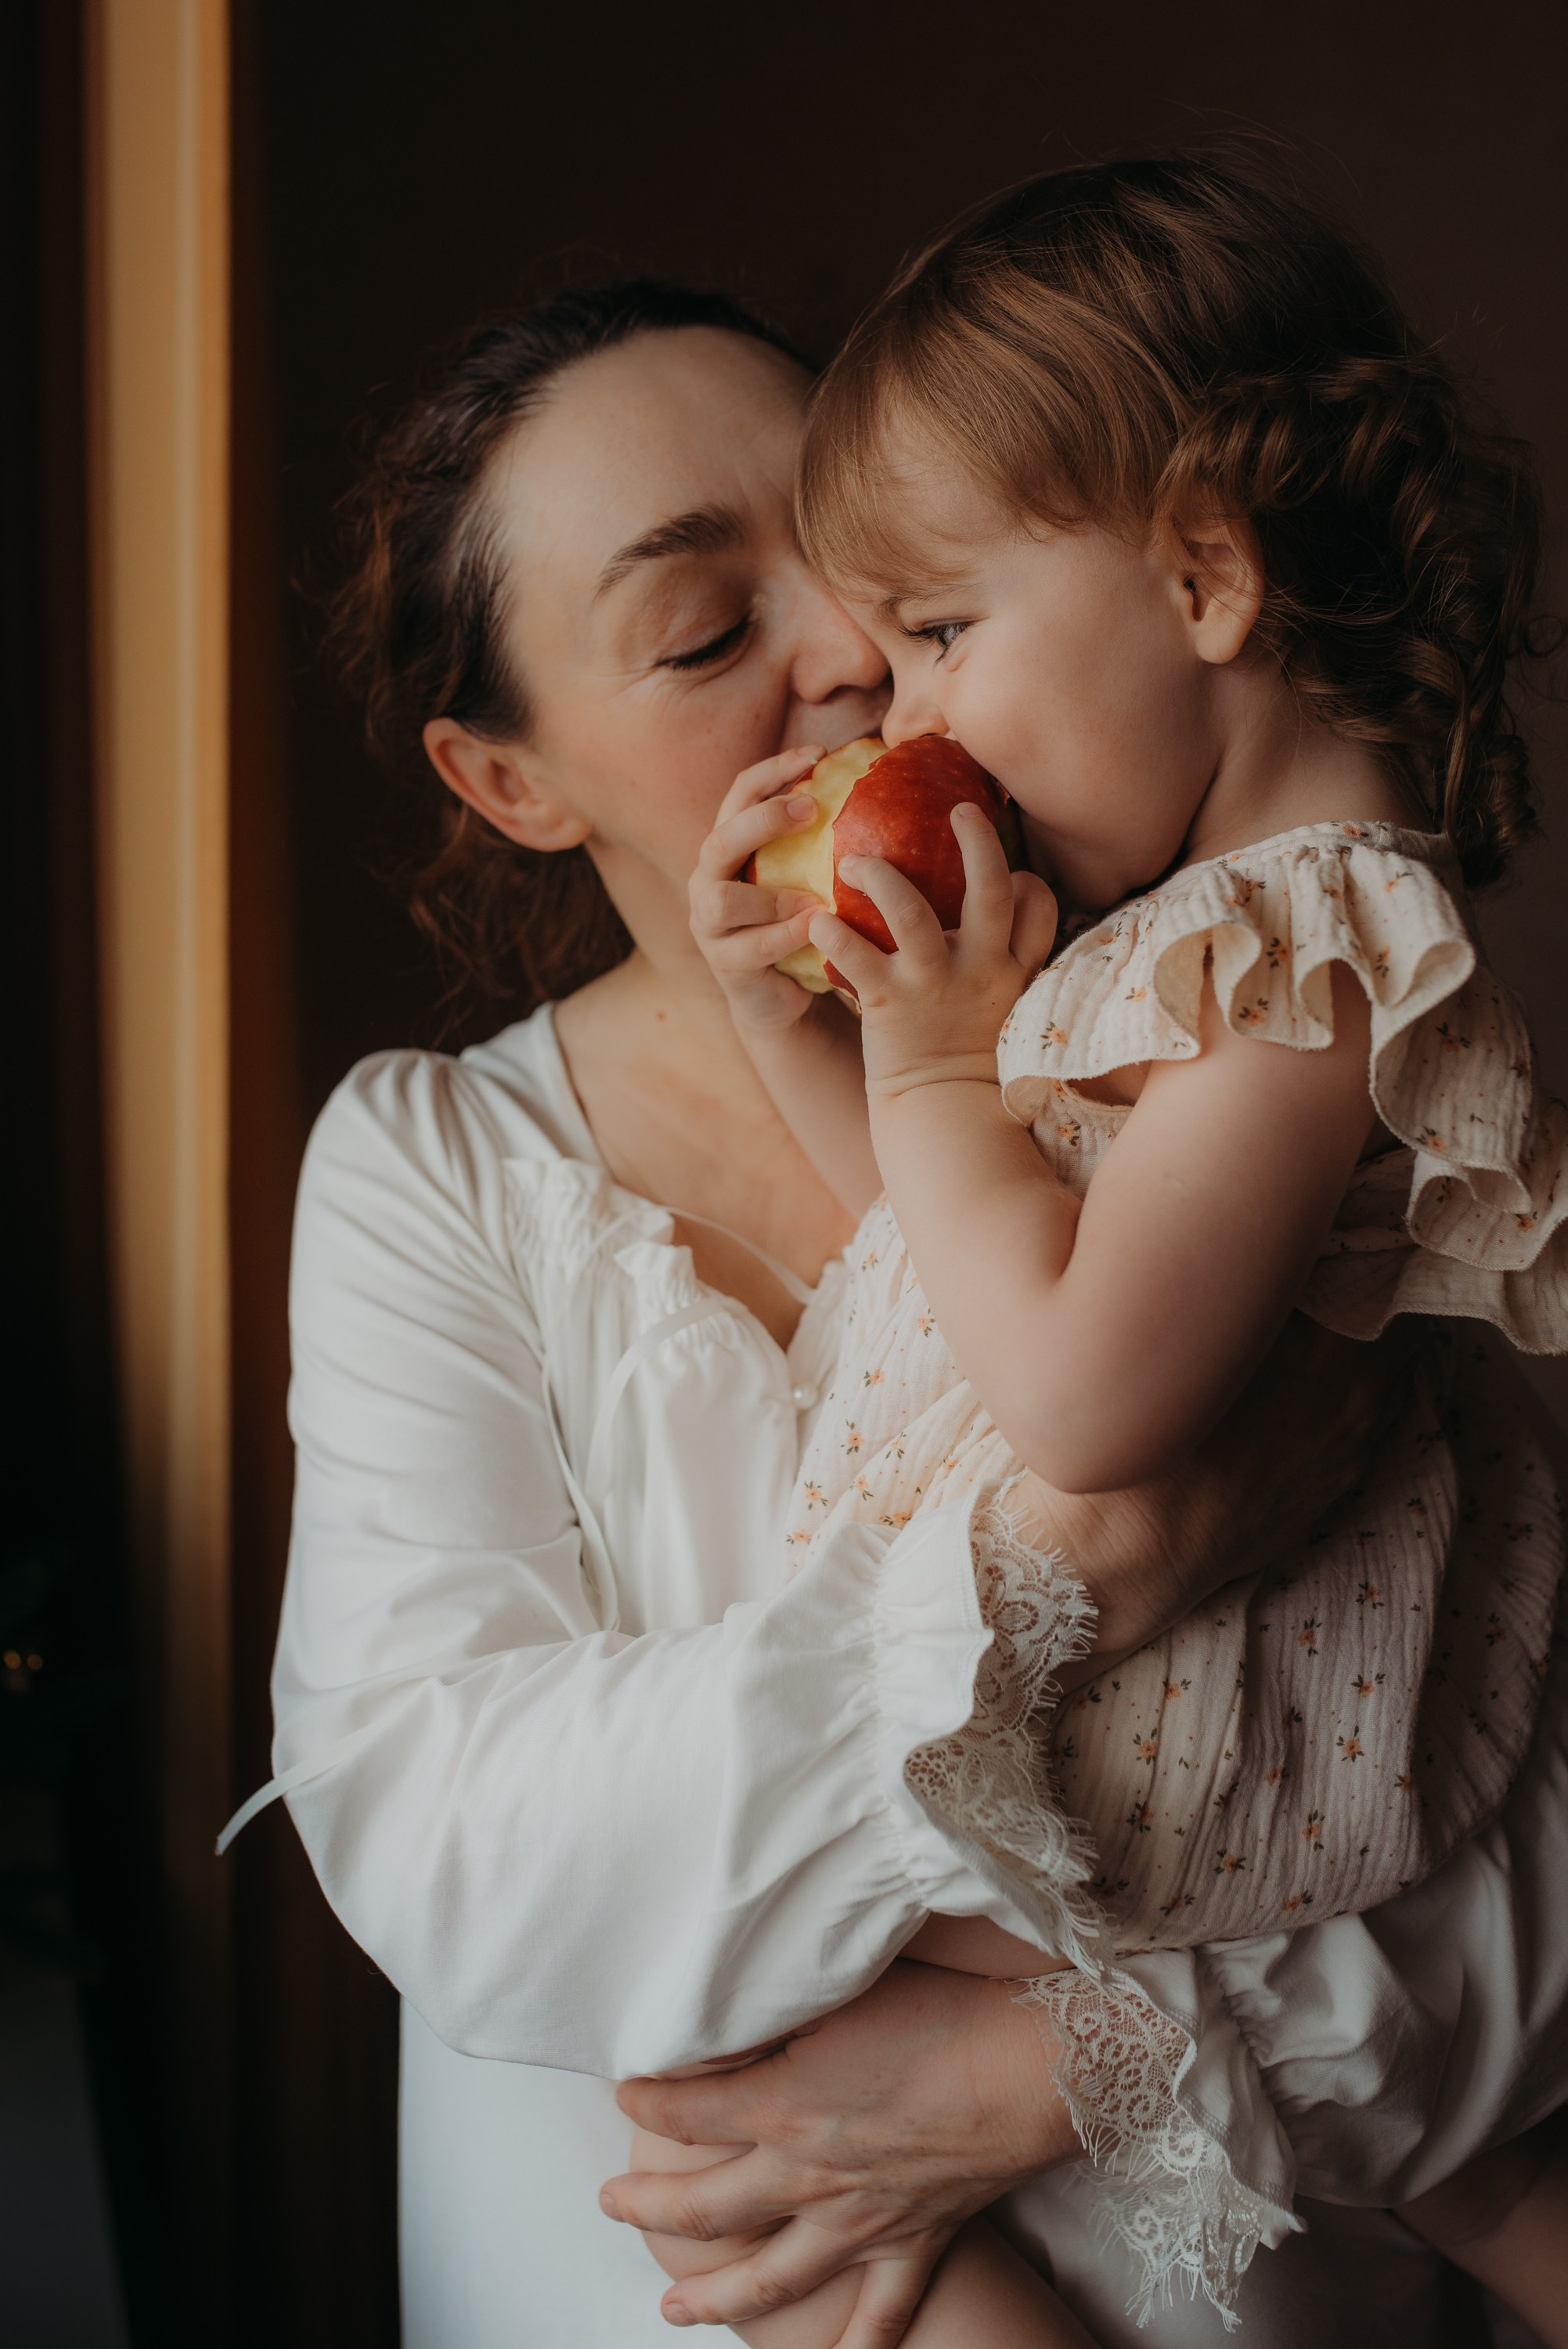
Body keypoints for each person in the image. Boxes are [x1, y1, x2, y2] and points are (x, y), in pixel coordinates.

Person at [251, 275, 1568, 2349]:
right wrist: (1071, 1567)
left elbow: (1475, 1736)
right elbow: (463, 1845)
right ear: (510, 781)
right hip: (693, 2262)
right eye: (700, 633)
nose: (856, 658)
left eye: (887, 570)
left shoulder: (1204, 1024)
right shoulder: (439, 1171)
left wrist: (1066, 2067)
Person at [672, 157, 1568, 2346]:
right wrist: (823, 1025)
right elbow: (936, 1268)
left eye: (945, 630)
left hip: (1215, 1725)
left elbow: (1085, 1390)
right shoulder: (1191, 939)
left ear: (1198, 574)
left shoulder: (1304, 957)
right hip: (1158, 1693)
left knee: (738, 2092)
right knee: (1468, 2179)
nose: (904, 726)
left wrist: (933, 1073)